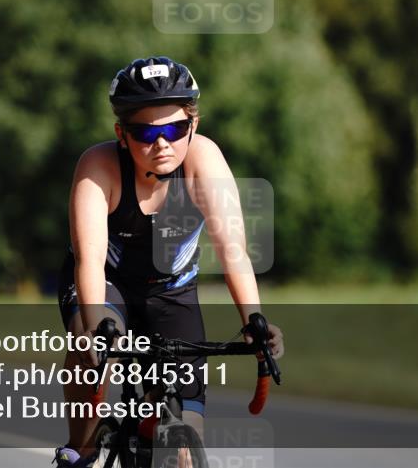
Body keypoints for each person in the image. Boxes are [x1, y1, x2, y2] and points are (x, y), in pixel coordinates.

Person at [53, 57, 284, 467]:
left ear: (192, 126)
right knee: (93, 348)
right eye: (146, 133)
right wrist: (91, 331)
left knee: (185, 442)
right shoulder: (98, 166)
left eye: (175, 130)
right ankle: (82, 449)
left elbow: (233, 250)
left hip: (171, 292)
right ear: (121, 135)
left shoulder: (204, 161)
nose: (162, 144)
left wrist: (254, 320)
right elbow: (88, 259)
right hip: (106, 284)